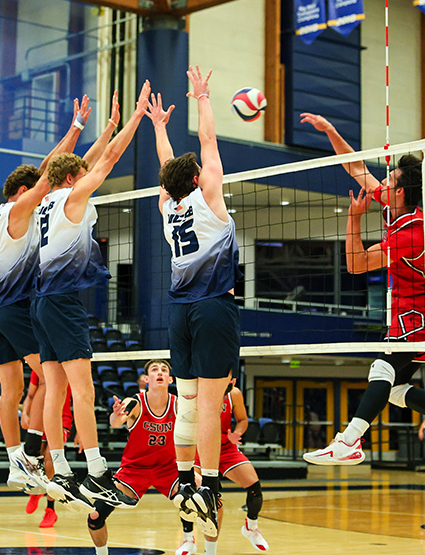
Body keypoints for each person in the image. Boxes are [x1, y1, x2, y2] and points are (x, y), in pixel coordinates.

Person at [298, 113, 425, 469]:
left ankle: (348, 441)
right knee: (395, 391)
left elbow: (356, 265)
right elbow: (355, 168)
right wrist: (332, 129)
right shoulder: (395, 206)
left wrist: (353, 220)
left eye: (389, 179)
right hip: (408, 312)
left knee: (381, 370)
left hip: (419, 314)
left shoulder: (410, 233)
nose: (382, 181)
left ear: (400, 192)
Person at [31, 81, 150, 511]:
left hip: (41, 301)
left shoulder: (47, 197)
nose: (88, 173)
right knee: (83, 392)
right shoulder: (74, 194)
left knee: (54, 392)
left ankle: (59, 471)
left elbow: (86, 159)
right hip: (61, 301)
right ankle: (97, 472)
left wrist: (105, 125)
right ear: (72, 179)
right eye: (81, 172)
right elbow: (109, 159)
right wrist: (137, 117)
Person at [0, 93, 98, 495]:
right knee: (52, 379)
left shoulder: (8, 215)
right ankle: (32, 453)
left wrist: (78, 130)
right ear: (23, 191)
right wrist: (76, 132)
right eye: (36, 188)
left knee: (12, 391)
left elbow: (50, 171)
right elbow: (51, 173)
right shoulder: (19, 210)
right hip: (15, 307)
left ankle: (16, 463)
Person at [145, 69, 239, 535]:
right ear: (199, 178)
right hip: (213, 307)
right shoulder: (210, 199)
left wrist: (160, 127)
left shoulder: (169, 209)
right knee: (209, 406)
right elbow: (208, 139)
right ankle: (208, 487)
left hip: (178, 310)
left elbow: (170, 173)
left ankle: (185, 484)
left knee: (188, 401)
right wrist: (202, 96)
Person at [86, 360, 192, 555]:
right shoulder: (134, 401)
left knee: (199, 494)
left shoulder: (179, 403)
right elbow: (116, 422)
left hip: (167, 469)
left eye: (164, 370)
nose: (159, 372)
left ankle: (189, 540)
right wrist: (116, 415)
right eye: (154, 369)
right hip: (134, 470)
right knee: (95, 517)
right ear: (146, 379)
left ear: (170, 379)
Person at [188, 379, 269, 552]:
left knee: (254, 487)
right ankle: (205, 548)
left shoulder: (234, 394)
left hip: (226, 448)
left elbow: (243, 420)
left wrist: (237, 433)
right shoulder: (194, 392)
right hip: (199, 450)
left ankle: (251, 527)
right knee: (212, 501)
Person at [22, 370, 74, 528]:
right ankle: (37, 490)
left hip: (61, 418)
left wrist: (82, 433)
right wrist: (24, 413)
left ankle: (50, 510)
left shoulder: (70, 366)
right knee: (35, 459)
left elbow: (81, 399)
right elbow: (31, 395)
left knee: (50, 459)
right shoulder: (37, 368)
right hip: (41, 417)